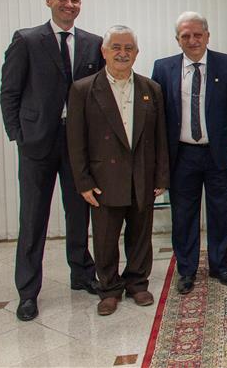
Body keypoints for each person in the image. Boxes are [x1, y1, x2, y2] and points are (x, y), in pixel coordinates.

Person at [0, 0, 102, 321]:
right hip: (37, 143)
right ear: (49, 1)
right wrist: (18, 135)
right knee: (33, 218)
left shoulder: (93, 43)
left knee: (78, 212)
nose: (69, 4)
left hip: (77, 145)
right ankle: (28, 292)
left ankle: (82, 274)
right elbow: (10, 92)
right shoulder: (27, 39)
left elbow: (97, 96)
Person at [66, 26, 169, 316]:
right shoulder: (83, 89)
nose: (122, 53)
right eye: (116, 48)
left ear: (136, 53)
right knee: (105, 237)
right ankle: (109, 289)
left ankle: (137, 283)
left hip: (142, 176)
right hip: (104, 179)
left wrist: (161, 176)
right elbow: (75, 141)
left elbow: (160, 137)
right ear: (104, 51)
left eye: (128, 48)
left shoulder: (151, 89)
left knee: (140, 235)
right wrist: (83, 181)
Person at [151, 12, 227, 295]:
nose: (192, 40)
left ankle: (219, 265)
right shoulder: (163, 68)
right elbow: (157, 118)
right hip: (182, 155)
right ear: (177, 39)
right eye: (186, 36)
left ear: (208, 35)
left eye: (197, 34)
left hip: (219, 154)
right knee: (184, 215)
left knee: (220, 212)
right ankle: (187, 270)